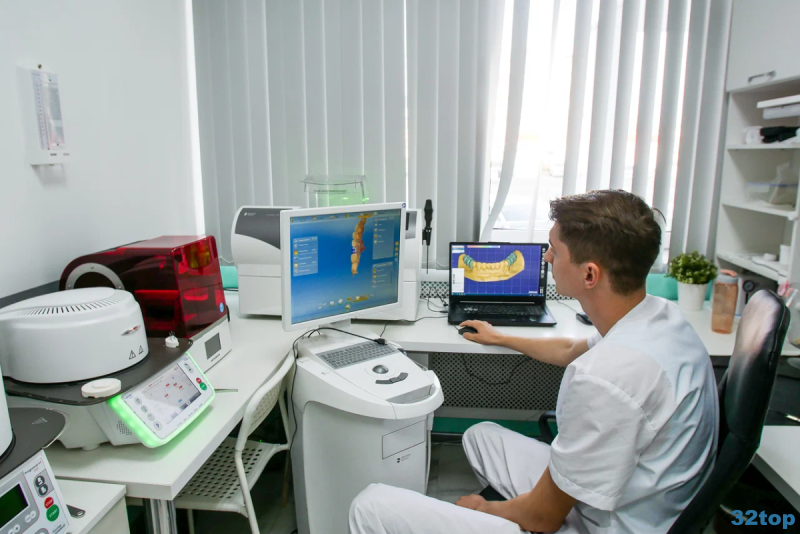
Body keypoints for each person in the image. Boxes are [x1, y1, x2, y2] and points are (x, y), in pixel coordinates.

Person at [349, 190, 719, 533]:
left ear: (589, 274)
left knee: (370, 505)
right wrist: (501, 338)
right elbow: (570, 349)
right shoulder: (658, 316)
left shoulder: (609, 377)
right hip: (627, 496)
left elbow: (542, 516)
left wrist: (483, 509)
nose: (546, 258)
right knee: (480, 436)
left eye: (554, 250)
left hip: (608, 526)